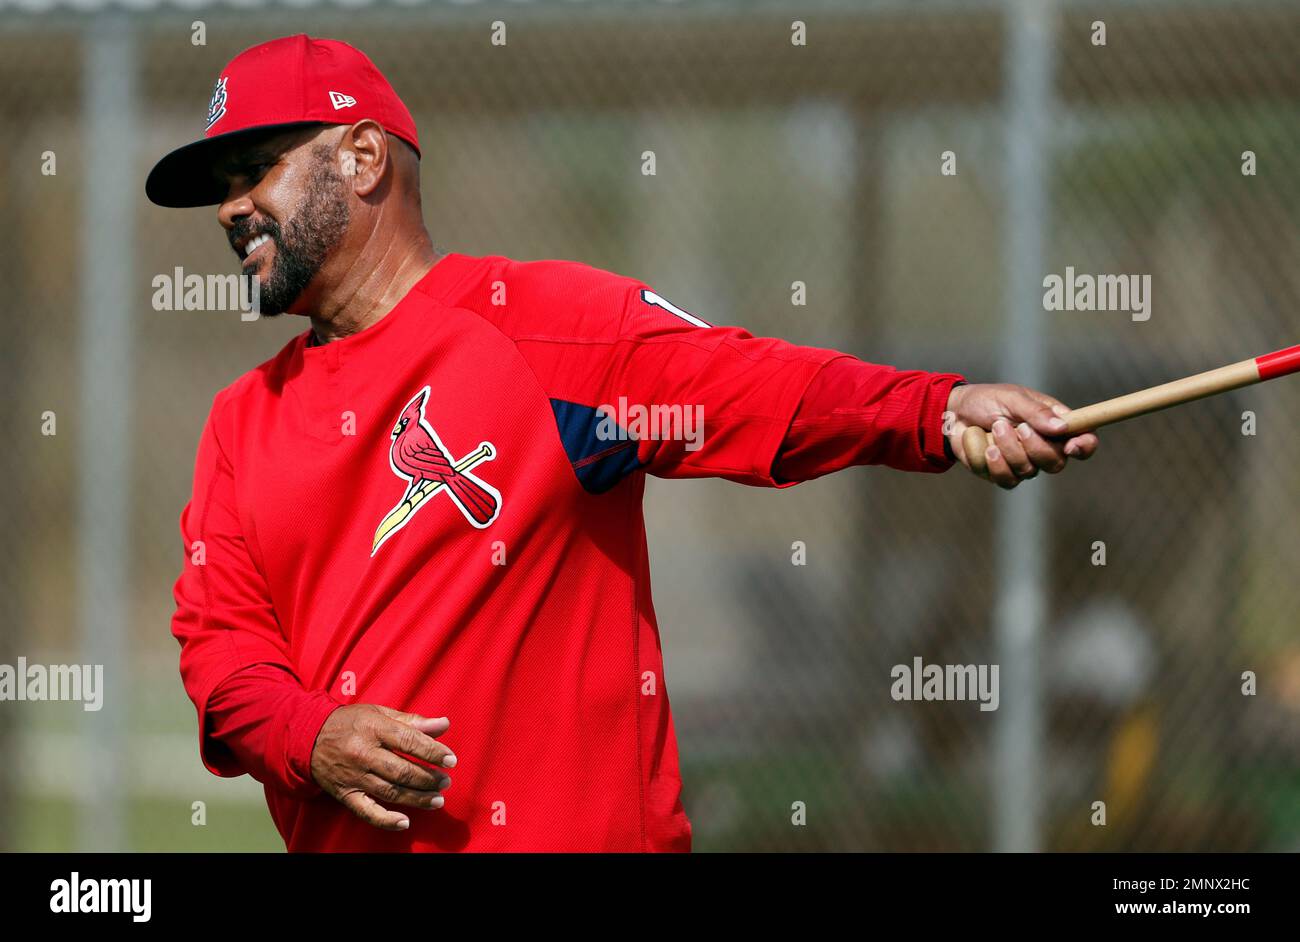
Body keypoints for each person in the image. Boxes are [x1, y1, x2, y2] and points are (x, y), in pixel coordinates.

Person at [149, 34, 1098, 852]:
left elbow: (749, 385)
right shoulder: (242, 422)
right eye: (222, 188)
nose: (231, 208)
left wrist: (934, 411)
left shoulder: (539, 327)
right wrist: (310, 735)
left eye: (257, 169)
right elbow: (222, 655)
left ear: (362, 158)